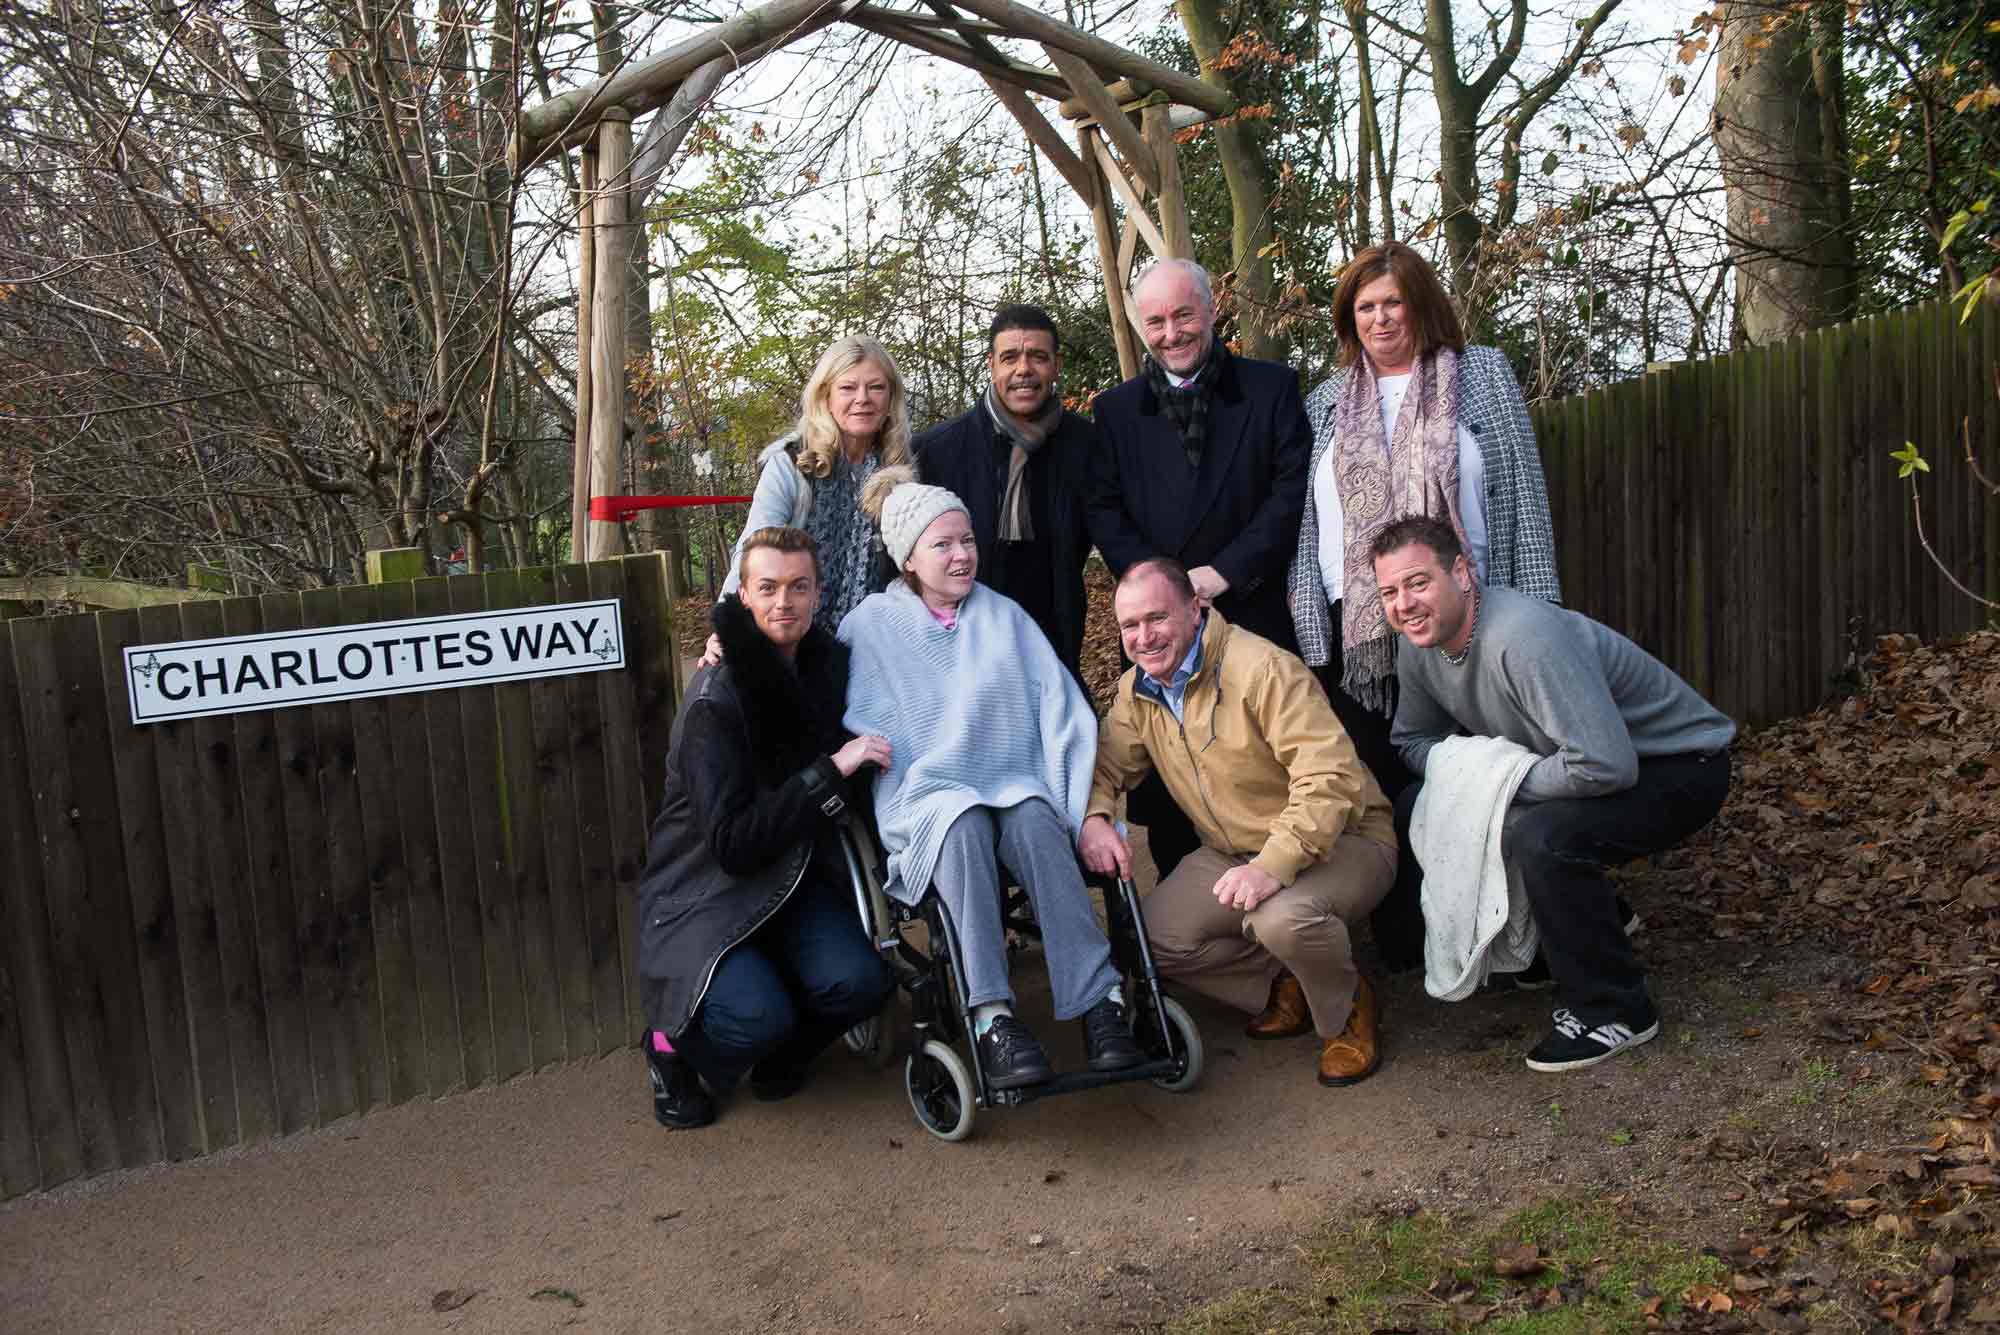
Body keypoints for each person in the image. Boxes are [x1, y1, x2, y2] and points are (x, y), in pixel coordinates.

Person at [1372, 515, 1736, 1073]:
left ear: (1462, 573)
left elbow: (1606, 766)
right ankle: (1544, 944)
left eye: (1418, 582)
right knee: (1418, 805)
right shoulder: (1419, 648)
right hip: (1583, 765)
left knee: (1544, 835)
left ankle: (1615, 1009)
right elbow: (1414, 741)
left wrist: (1505, 781)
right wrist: (1478, 770)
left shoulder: (1523, 638)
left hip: (1679, 765)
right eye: (1390, 592)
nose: (1405, 604)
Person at [840, 468, 1141, 1089]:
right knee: (962, 819)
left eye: (967, 541)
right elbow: (862, 711)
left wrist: (1081, 807)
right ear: (908, 558)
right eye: (943, 545)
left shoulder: (1002, 616)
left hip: (1012, 781)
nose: (961, 555)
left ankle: (1098, 1002)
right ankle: (991, 1015)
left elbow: (1060, 708)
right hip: (930, 795)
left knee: (1034, 817)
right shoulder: (869, 626)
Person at [1079, 558, 1399, 1087]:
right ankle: (1286, 981)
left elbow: (1330, 779)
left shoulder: (1261, 669)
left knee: (1280, 917)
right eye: (1129, 626)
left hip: (1346, 839)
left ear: (1195, 608)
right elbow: (1108, 765)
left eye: (1156, 618)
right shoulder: (1138, 690)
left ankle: (1346, 1008)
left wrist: (1272, 866)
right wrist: (1094, 816)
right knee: (1148, 938)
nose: (1143, 636)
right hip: (1234, 849)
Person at [635, 527, 896, 1130]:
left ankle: (784, 1049)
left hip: (792, 877)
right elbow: (731, 845)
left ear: (818, 594)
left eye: (799, 587)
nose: (785, 602)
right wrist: (830, 771)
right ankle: (669, 1049)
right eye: (769, 588)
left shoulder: (828, 669)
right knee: (755, 1017)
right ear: (745, 598)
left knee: (862, 983)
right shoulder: (715, 702)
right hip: (704, 891)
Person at [1287, 242, 1562, 804]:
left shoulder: (1481, 374)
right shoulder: (1325, 402)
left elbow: (1526, 496)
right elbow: (1307, 528)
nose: (1380, 318)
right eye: (1365, 307)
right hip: (1360, 630)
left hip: (1472, 615)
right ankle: (1406, 893)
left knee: (1480, 778)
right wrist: (1311, 635)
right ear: (1349, 318)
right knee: (1382, 787)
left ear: (1422, 305)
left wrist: (1543, 612)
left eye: (1394, 302)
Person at [1087, 258, 1311, 881]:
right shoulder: (1115, 412)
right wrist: (1163, 591)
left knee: (1272, 769)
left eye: (1184, 314)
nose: (1171, 333)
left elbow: (1291, 493)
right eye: (1155, 321)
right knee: (1169, 793)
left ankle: (1290, 914)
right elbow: (1103, 509)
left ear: (1213, 311)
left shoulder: (1272, 389)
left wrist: (1227, 572)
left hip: (1251, 607)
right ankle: (1201, 938)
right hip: (1161, 629)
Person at [912, 305, 1095, 679]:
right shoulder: (936, 451)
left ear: (1056, 365)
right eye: (1009, 357)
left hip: (1054, 641)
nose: (1023, 369)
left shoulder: (1087, 446)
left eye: (1038, 357)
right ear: (991, 364)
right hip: (961, 644)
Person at [707, 335, 911, 662]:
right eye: (847, 388)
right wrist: (724, 631)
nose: (863, 399)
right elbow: (751, 552)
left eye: (876, 387)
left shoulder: (902, 470)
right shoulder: (791, 464)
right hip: (795, 645)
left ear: (890, 398)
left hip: (874, 649)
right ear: (825, 396)